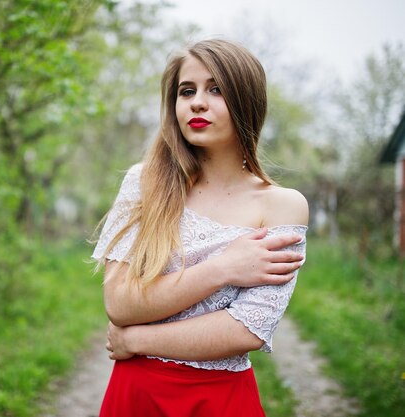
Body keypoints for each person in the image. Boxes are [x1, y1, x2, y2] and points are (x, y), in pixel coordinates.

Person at [91, 38, 309, 417]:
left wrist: (135, 339)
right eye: (186, 91)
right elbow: (120, 303)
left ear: (247, 101)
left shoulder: (282, 205)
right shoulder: (144, 183)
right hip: (136, 394)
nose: (197, 102)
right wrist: (223, 268)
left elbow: (246, 330)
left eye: (216, 89)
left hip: (220, 400)